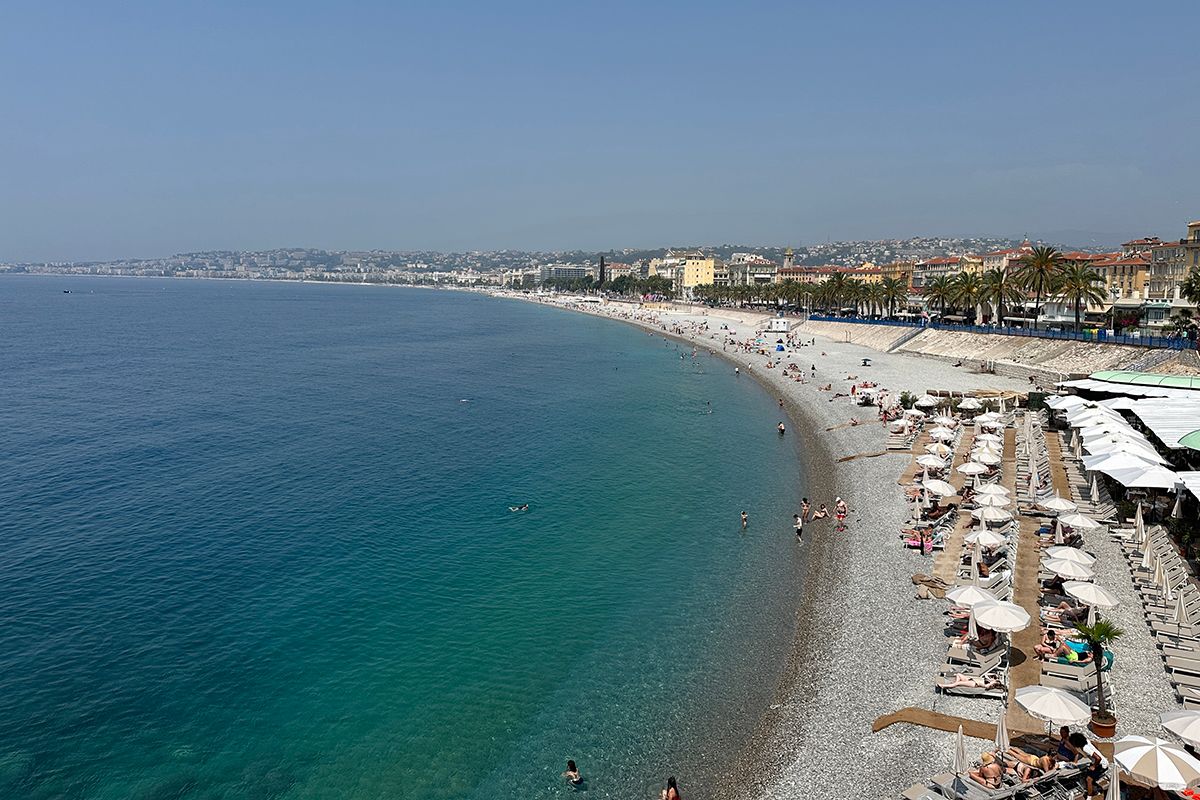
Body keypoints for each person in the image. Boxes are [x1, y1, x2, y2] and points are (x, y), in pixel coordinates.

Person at [1069, 732, 1109, 798]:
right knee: (1087, 774)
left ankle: (1089, 796)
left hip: (1102, 765)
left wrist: (1094, 766)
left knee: (1089, 779)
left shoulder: (1085, 748)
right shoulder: (1086, 741)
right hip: (1100, 762)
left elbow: (1098, 758)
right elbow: (1094, 746)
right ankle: (1094, 788)